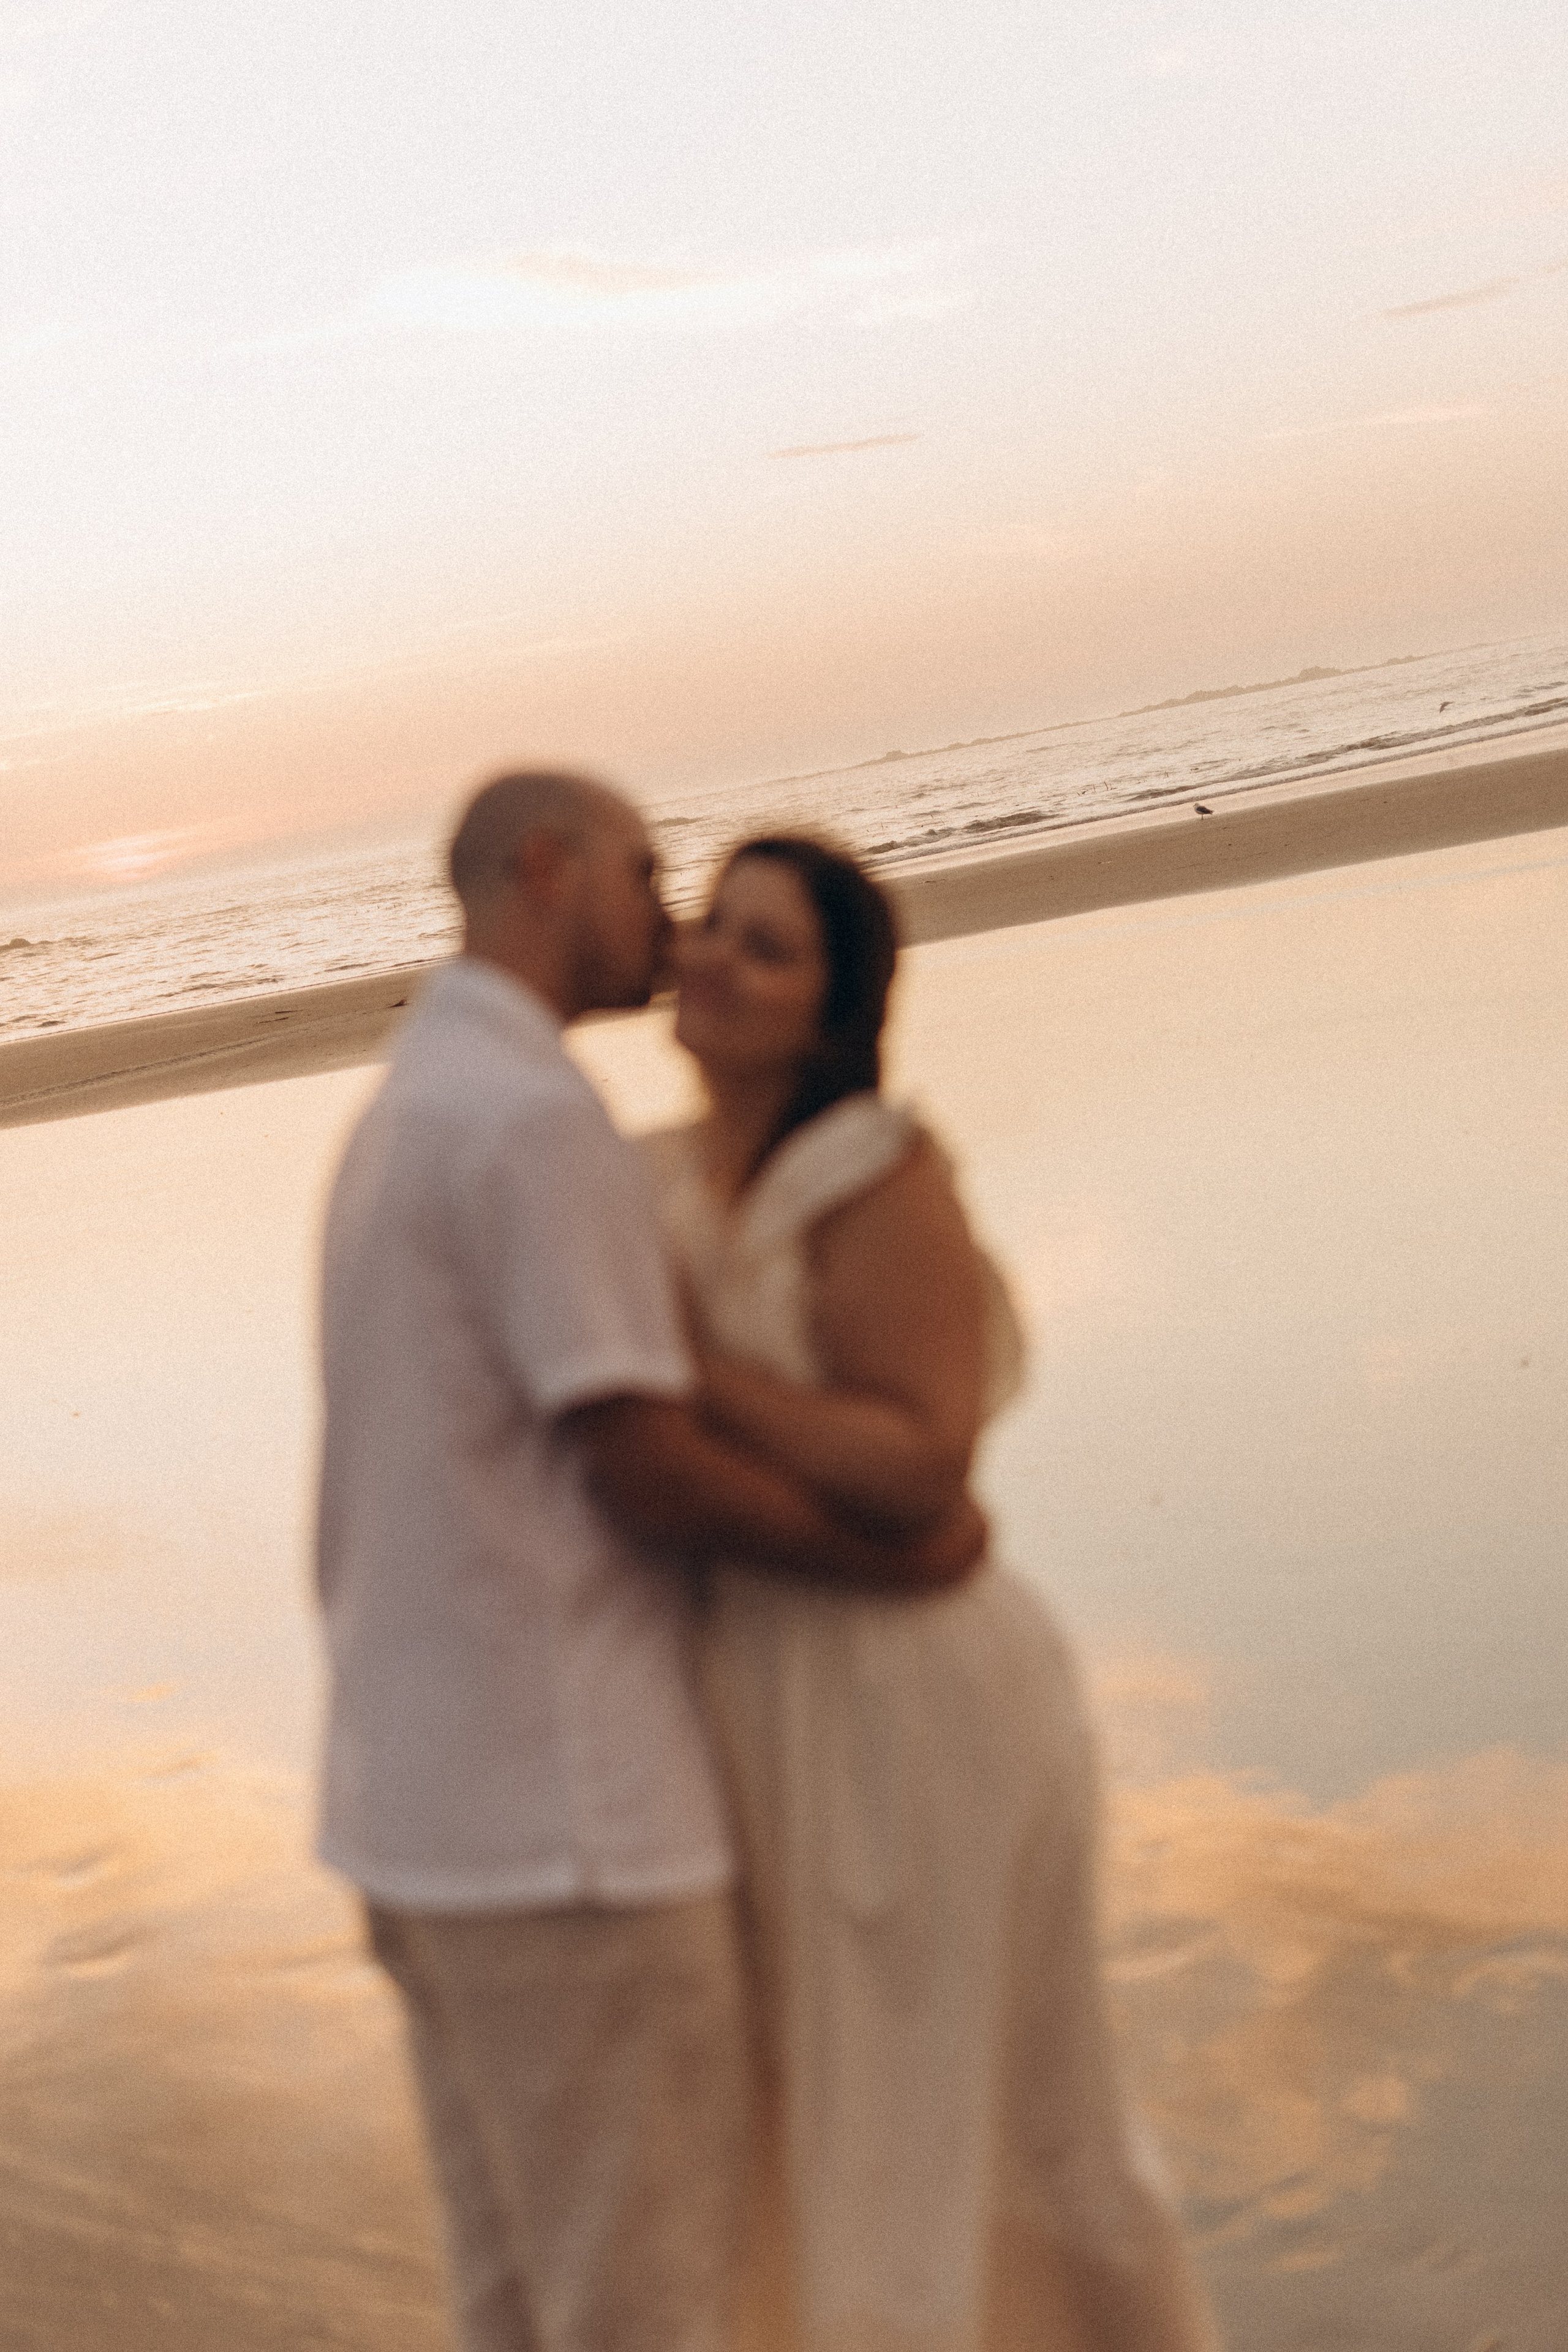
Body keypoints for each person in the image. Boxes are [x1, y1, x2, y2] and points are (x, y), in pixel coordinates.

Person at [314, 774, 985, 2352]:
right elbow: (641, 1463)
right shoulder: (535, 1119)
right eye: (643, 871)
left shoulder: (406, 1100)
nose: (666, 916)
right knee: (647, 2312)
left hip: (414, 1817)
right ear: (548, 873)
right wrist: (900, 1563)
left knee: (520, 2308)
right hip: (570, 1838)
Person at [643, 834, 1221, 2352]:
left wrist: (695, 1379)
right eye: (709, 922)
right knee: (824, 2113)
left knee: (943, 2117)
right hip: (772, 1690)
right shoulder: (662, 1174)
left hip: (911, 1693)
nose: (711, 955)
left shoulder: (876, 1170)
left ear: (836, 1013)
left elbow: (920, 1459)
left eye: (766, 945)